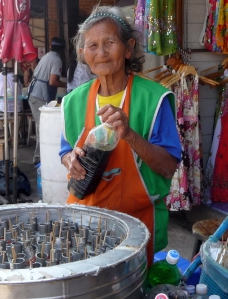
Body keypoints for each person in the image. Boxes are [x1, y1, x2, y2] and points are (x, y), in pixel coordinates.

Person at [59, 5, 181, 266]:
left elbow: (168, 167)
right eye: (92, 45)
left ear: (128, 48)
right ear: (83, 54)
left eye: (109, 42)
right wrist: (69, 159)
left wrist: (129, 135)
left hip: (137, 223)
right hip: (85, 219)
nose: (101, 52)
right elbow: (65, 151)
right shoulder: (73, 102)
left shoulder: (154, 99)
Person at [28, 37, 67, 165]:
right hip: (39, 95)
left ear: (51, 47)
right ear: (63, 50)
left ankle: (41, 155)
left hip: (35, 93)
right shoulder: (56, 60)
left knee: (43, 126)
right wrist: (68, 85)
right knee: (42, 128)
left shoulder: (47, 56)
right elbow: (53, 81)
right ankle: (38, 158)